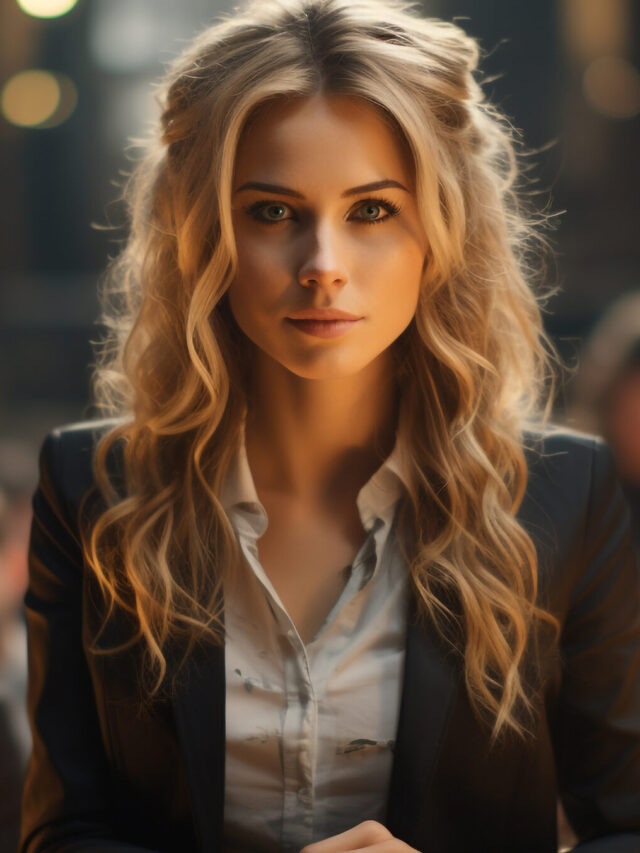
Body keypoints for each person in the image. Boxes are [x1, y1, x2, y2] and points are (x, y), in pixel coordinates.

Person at [19, 0, 640, 851]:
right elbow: (63, 830)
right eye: (273, 212)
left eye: (373, 211)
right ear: (203, 233)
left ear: (443, 231)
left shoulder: (568, 495)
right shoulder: (91, 487)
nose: (323, 267)